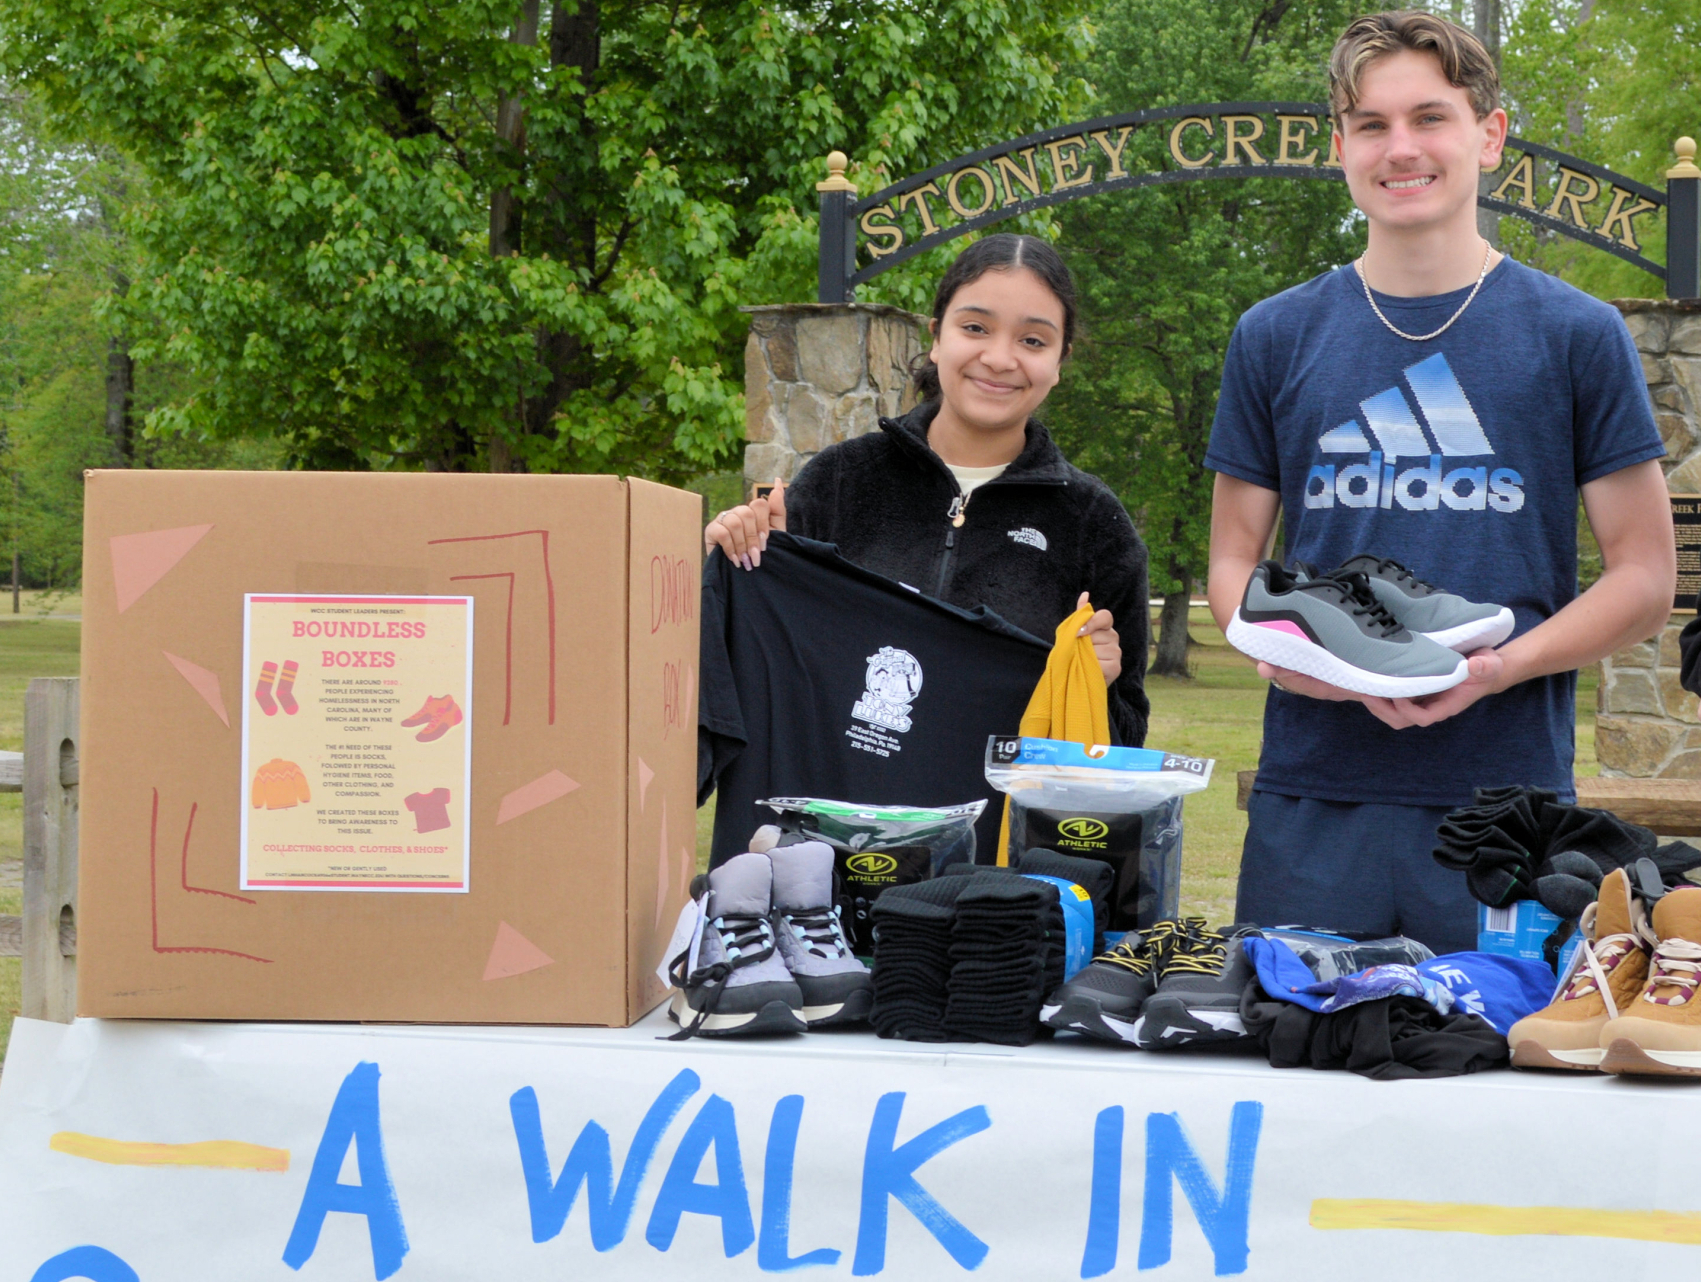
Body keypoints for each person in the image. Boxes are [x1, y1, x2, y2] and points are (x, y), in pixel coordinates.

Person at [1206, 9, 1674, 953]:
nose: (1401, 147)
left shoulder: (1576, 334)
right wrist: (1320, 666)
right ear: (1339, 146)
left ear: (1489, 135)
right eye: (1372, 125)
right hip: (1313, 794)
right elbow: (1233, 564)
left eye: (1430, 117)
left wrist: (1496, 667)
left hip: (1507, 806)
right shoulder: (1274, 335)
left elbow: (1643, 579)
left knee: (1500, 1087)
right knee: (1302, 1068)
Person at [706, 233, 1152, 752]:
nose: (1000, 358)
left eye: (1033, 341)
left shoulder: (1096, 526)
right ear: (937, 336)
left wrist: (1097, 684)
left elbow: (1124, 739)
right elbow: (749, 673)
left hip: (997, 827)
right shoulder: (839, 481)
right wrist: (742, 558)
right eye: (976, 328)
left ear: (1059, 361)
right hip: (830, 821)